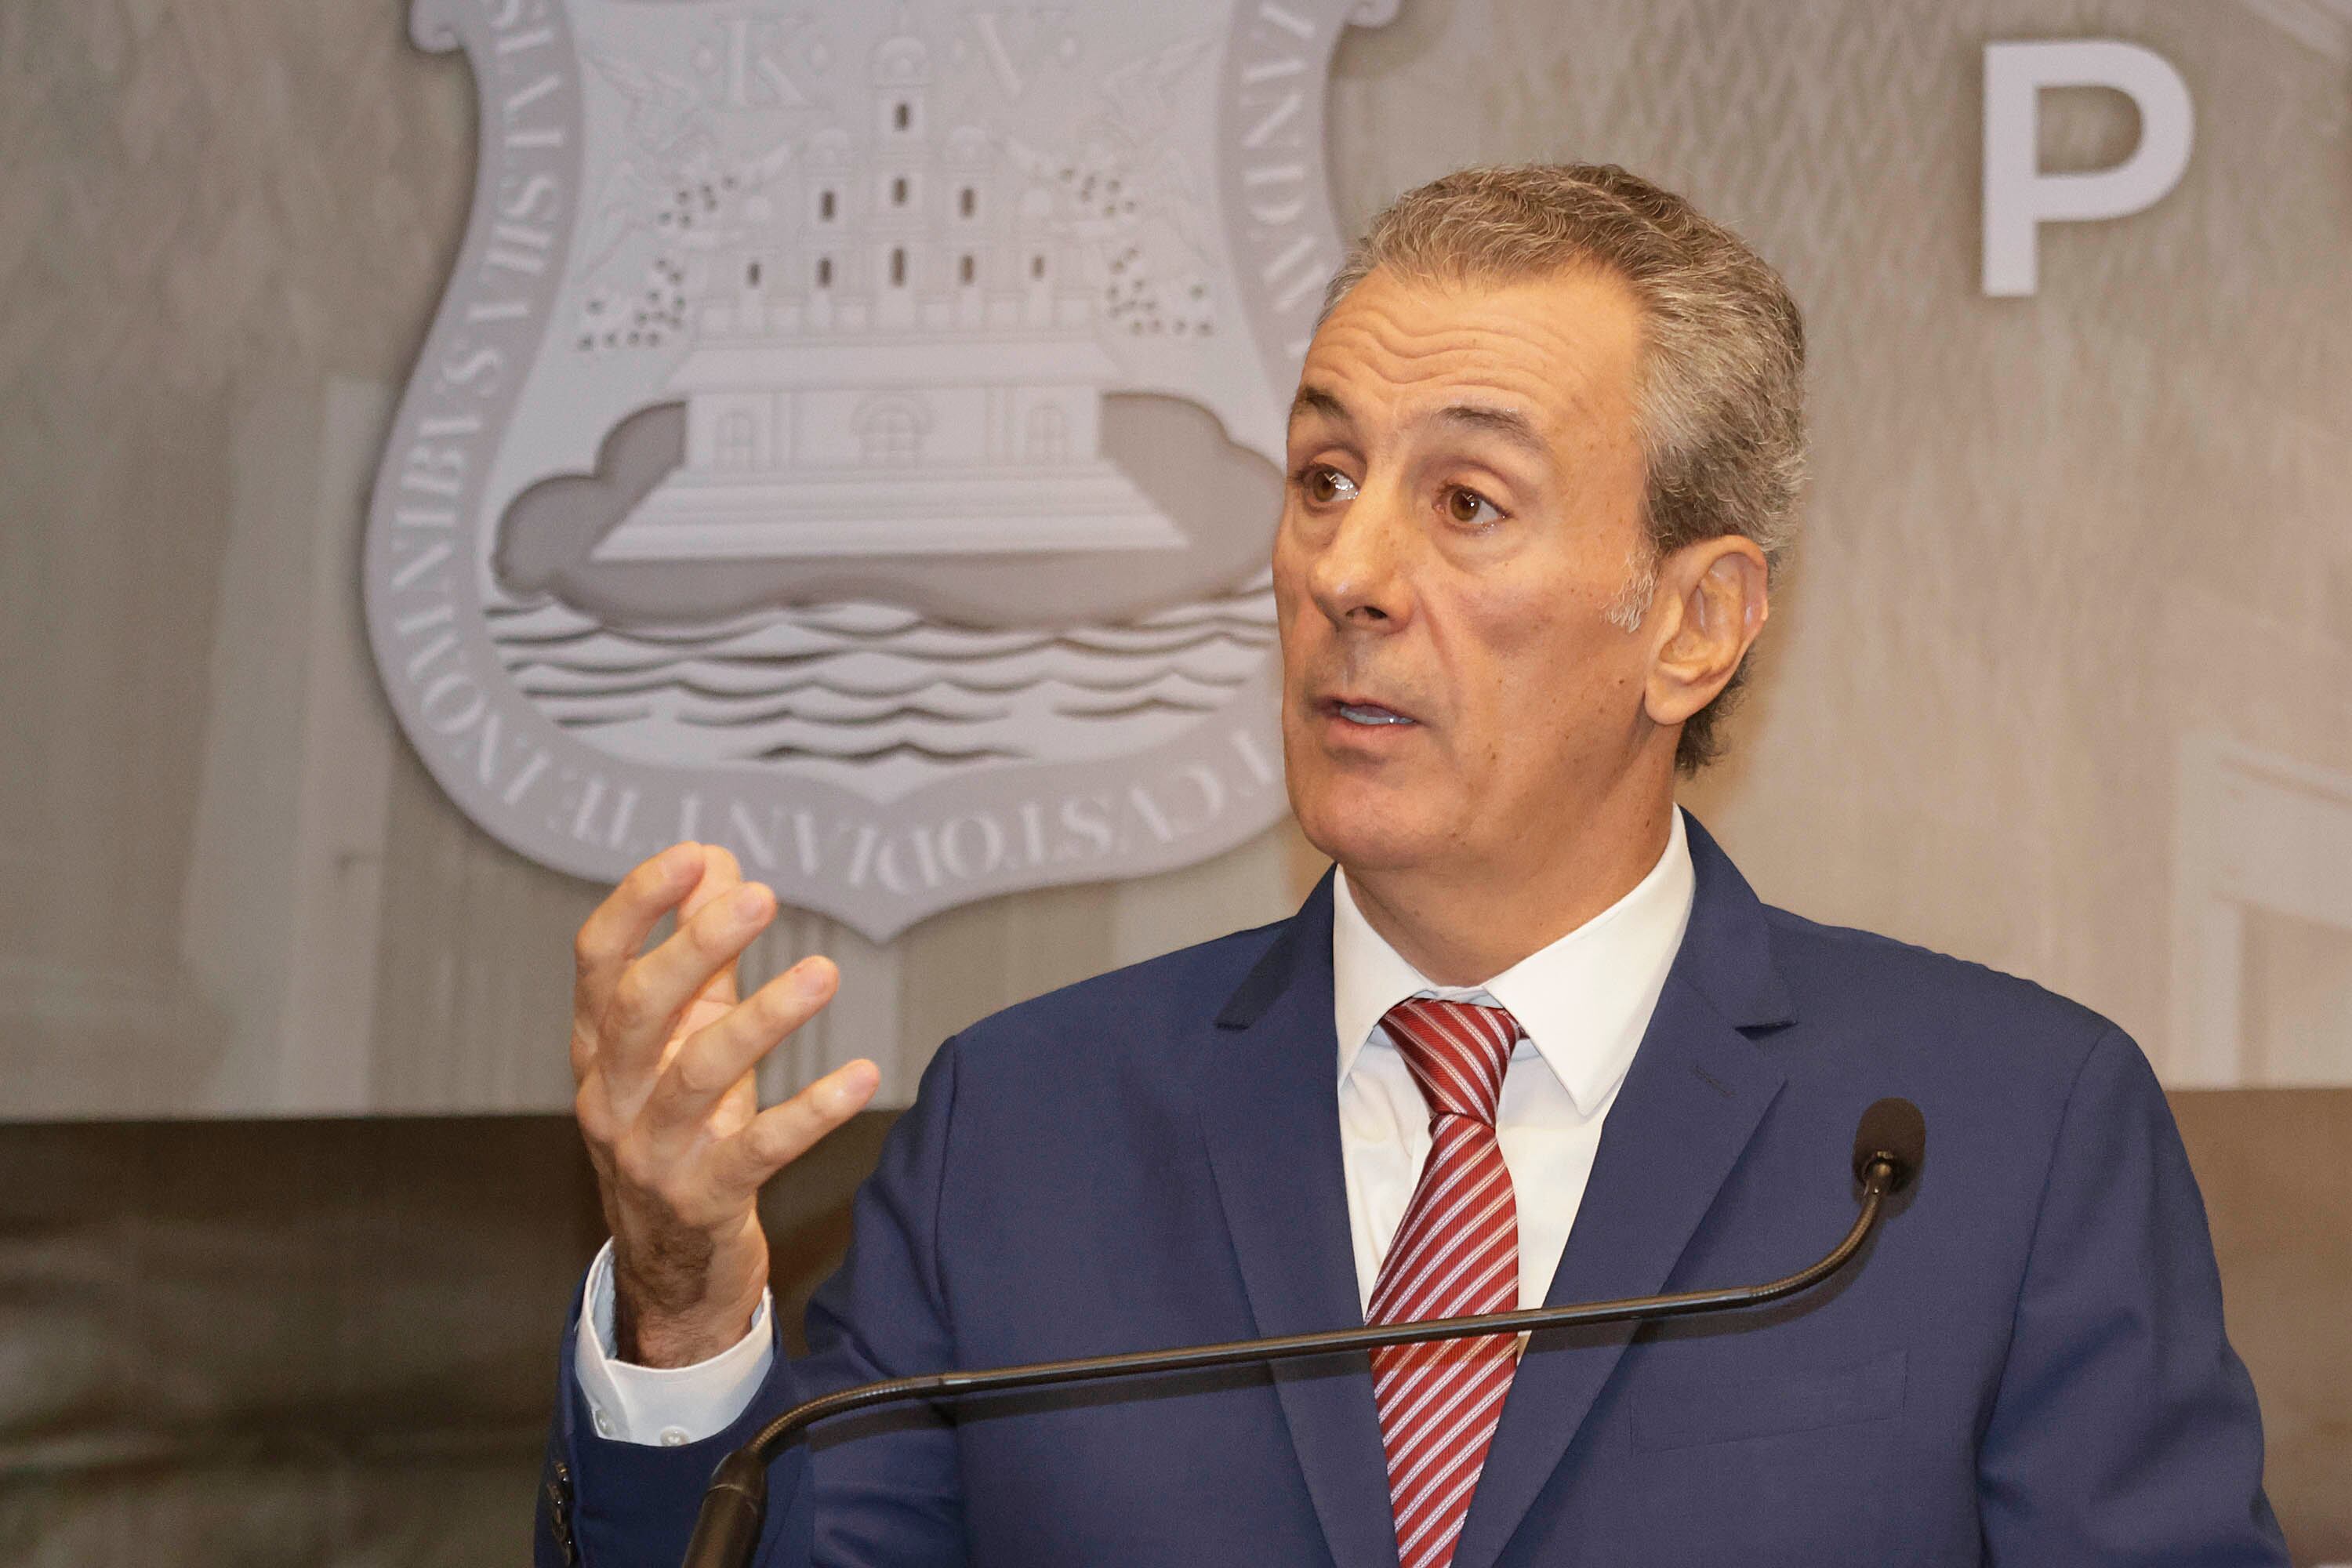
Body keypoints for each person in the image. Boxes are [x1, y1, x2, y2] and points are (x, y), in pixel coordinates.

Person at [536, 165, 2285, 1567]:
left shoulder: (1995, 1136)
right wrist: (686, 1309)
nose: (1347, 571)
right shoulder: (1026, 1129)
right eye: (1323, 478)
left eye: (1466, 503)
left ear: (1695, 623)